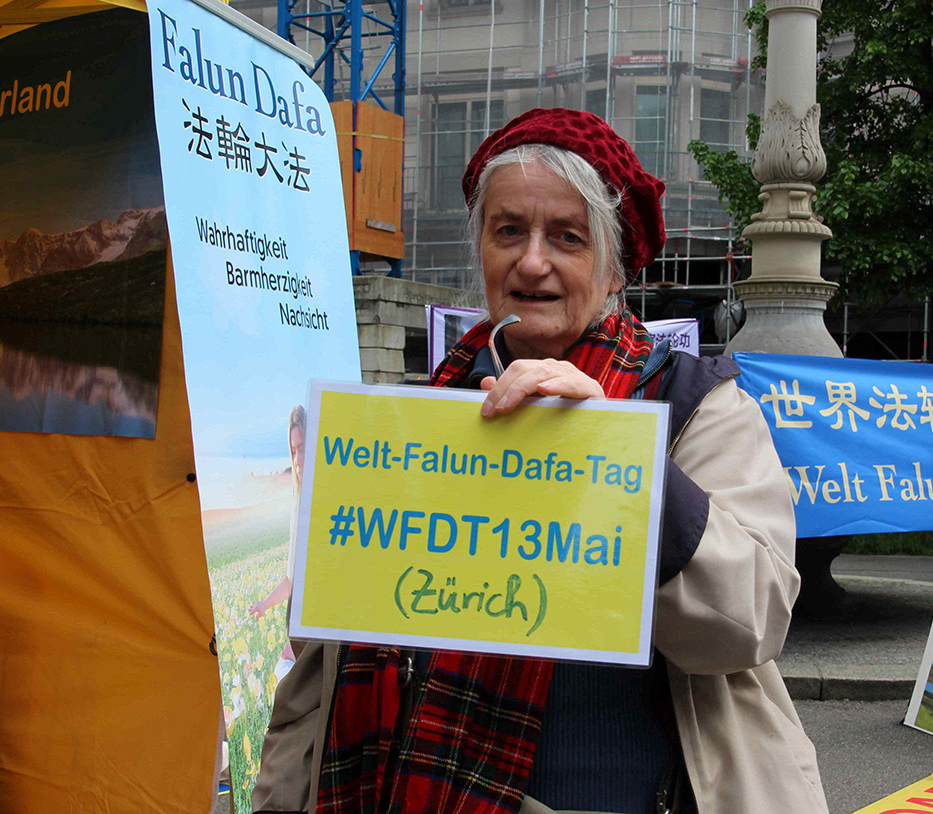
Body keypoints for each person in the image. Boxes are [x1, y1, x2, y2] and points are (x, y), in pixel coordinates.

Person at [251, 108, 827, 814]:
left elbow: (751, 621)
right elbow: (317, 675)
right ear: (482, 251)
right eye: (508, 231)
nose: (531, 261)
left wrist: (612, 455)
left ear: (614, 270)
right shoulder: (409, 422)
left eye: (567, 237)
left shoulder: (693, 404)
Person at [249, 404, 308, 681]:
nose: (297, 460)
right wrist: (264, 603)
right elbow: (292, 579)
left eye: (302, 449)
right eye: (293, 451)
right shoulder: (299, 506)